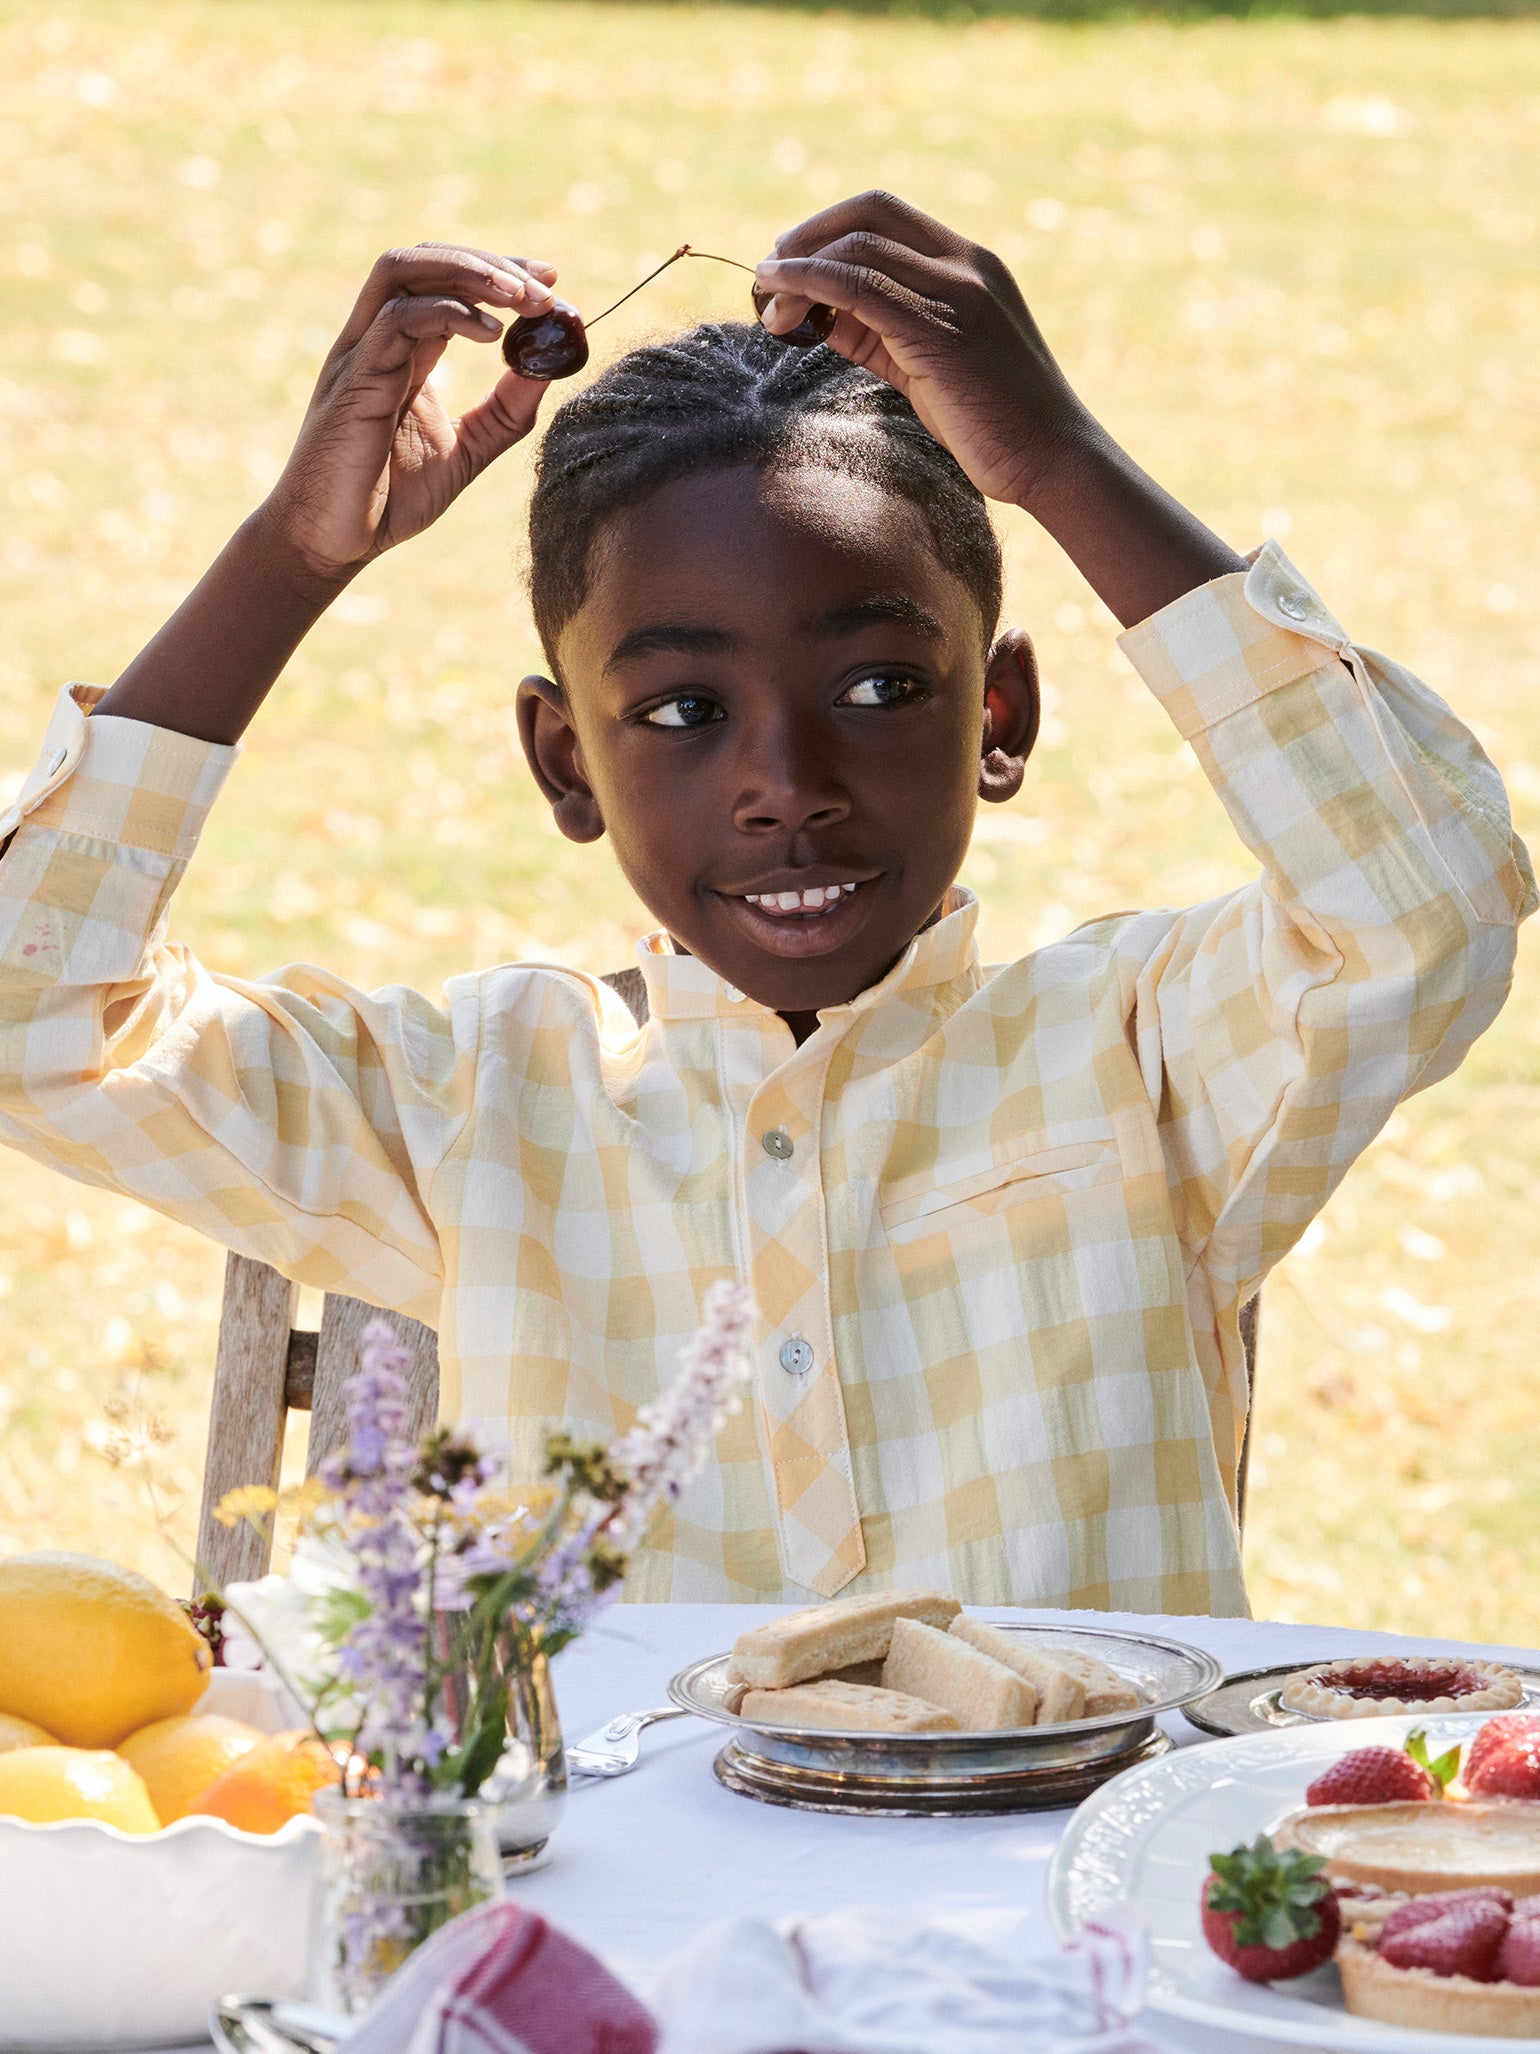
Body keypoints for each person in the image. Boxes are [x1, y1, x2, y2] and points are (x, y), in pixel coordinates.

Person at [0, 194, 1529, 1614]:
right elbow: (32, 1012)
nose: (784, 781)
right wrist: (291, 556)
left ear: (997, 716)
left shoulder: (1143, 1055)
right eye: (679, 713)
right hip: (607, 1915)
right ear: (564, 759)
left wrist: (1059, 459)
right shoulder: (474, 1105)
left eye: (880, 685)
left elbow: (1429, 903)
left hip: (1043, 1903)